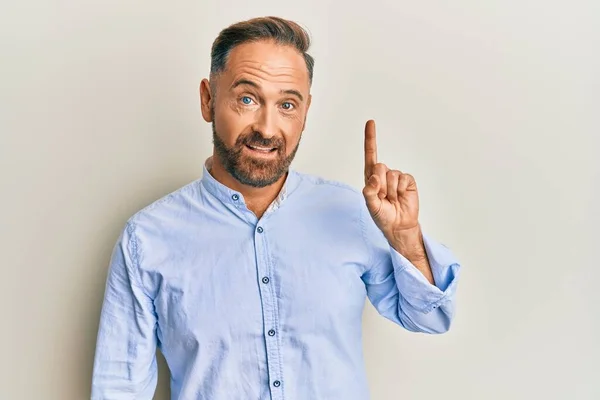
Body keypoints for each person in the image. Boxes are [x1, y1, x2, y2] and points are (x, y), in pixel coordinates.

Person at [91, 16, 462, 400]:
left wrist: (405, 240)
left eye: (287, 104)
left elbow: (431, 318)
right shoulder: (147, 238)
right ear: (208, 99)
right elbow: (118, 388)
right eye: (248, 99)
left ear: (305, 112)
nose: (267, 129)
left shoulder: (352, 212)